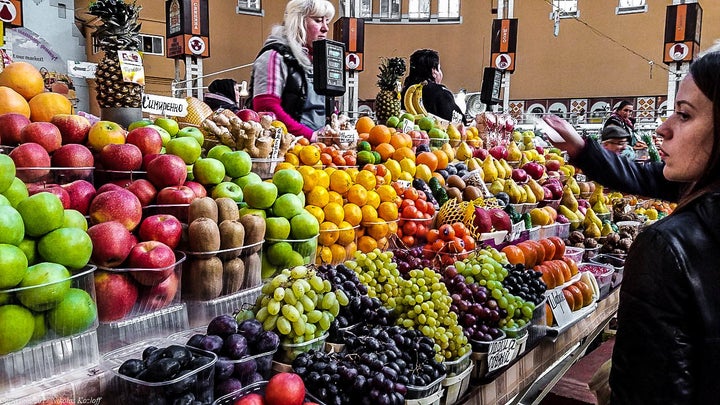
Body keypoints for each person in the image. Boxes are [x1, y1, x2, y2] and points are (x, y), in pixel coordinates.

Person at [542, 41, 720, 403]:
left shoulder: (666, 248)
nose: (663, 129)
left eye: (684, 115)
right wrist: (586, 151)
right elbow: (651, 177)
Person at [248, 0, 334, 140]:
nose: (325, 28)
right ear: (298, 22)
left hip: (319, 150)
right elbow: (267, 108)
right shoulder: (273, 56)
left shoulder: (317, 60)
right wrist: (311, 136)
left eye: (327, 21)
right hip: (286, 150)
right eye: (318, 20)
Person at [401, 49, 465, 123]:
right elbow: (460, 121)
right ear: (434, 71)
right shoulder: (441, 93)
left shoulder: (405, 93)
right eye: (439, 68)